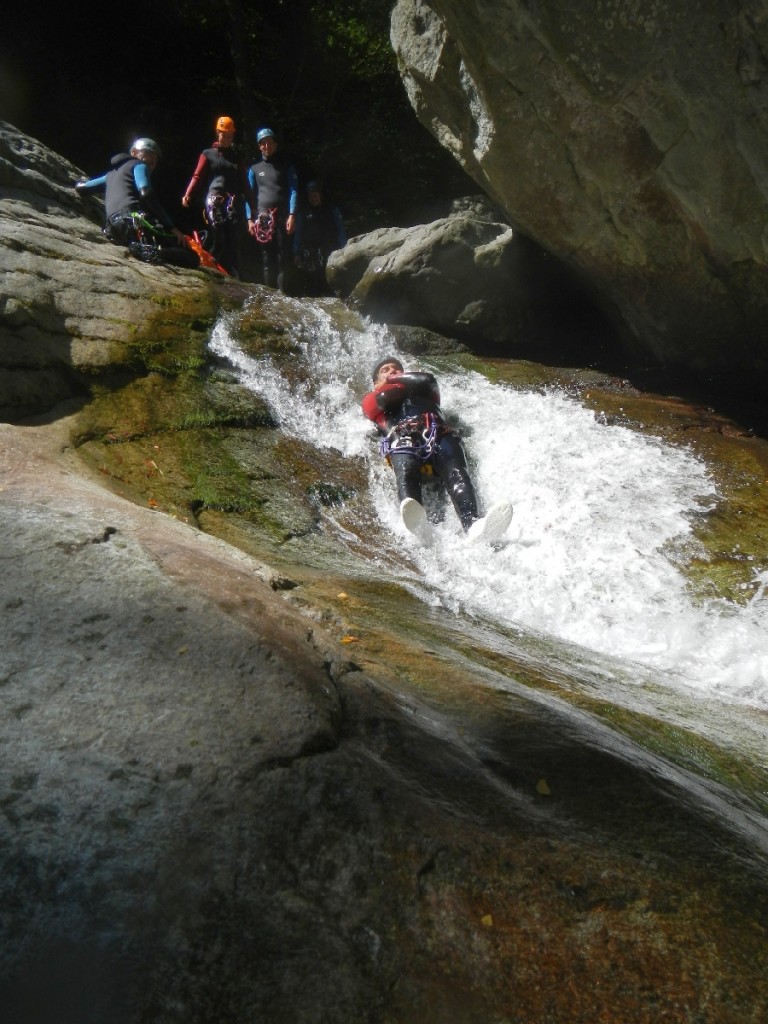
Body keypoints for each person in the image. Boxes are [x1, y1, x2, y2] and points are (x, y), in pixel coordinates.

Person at [74, 138, 195, 267]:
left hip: (113, 229)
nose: (152, 161)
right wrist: (172, 227)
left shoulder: (110, 175)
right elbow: (146, 194)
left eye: (155, 160)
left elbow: (82, 188)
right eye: (148, 154)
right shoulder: (139, 165)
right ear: (133, 152)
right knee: (191, 257)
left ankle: (141, 247)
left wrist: (74, 182)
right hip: (133, 222)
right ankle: (156, 252)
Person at [181, 115, 253, 277]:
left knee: (233, 239)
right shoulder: (208, 154)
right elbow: (197, 176)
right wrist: (188, 193)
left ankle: (236, 274)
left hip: (232, 203)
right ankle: (208, 268)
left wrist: (253, 205)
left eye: (229, 136)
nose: (226, 138)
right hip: (214, 201)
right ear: (217, 133)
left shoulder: (237, 157)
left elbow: (245, 183)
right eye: (223, 135)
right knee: (218, 235)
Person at [245, 127, 298, 290]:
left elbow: (293, 190)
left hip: (282, 216)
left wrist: (292, 214)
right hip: (263, 219)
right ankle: (270, 295)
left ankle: (284, 294)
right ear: (259, 146)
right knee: (267, 257)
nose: (266, 146)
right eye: (263, 144)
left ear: (275, 144)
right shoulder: (254, 169)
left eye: (269, 143)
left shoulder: (286, 167)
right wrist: (249, 219)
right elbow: (249, 195)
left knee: (283, 255)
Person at [293, 180, 346, 296]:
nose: (313, 199)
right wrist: (296, 252)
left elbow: (340, 230)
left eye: (315, 196)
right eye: (311, 197)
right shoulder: (304, 213)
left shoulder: (331, 210)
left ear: (320, 195)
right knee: (312, 284)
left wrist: (344, 249)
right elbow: (298, 233)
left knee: (328, 281)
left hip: (329, 251)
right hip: (310, 253)